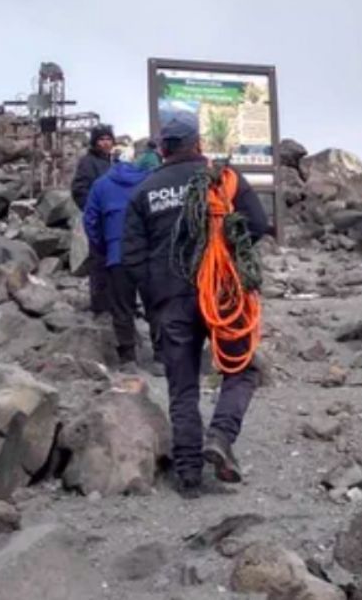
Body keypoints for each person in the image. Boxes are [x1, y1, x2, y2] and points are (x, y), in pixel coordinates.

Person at [122, 118, 269, 498]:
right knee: (242, 368)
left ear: (163, 149)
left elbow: (132, 256)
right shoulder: (224, 179)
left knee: (182, 384)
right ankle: (220, 435)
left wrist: (155, 297)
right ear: (198, 144)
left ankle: (189, 475)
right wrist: (230, 253)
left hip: (170, 300)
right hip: (222, 293)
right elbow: (257, 223)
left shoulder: (144, 191)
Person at [82, 151, 159, 368]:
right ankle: (161, 358)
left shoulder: (101, 184)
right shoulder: (151, 181)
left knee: (122, 307)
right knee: (155, 305)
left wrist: (104, 246)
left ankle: (128, 358)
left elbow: (90, 220)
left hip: (117, 254)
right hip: (148, 253)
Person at [72, 124, 117, 315]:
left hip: (115, 221)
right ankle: (100, 305)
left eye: (108, 139)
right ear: (94, 142)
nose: (105, 143)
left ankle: (116, 302)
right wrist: (93, 212)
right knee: (99, 262)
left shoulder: (113, 162)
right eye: (101, 139)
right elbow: (79, 190)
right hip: (99, 221)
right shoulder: (88, 162)